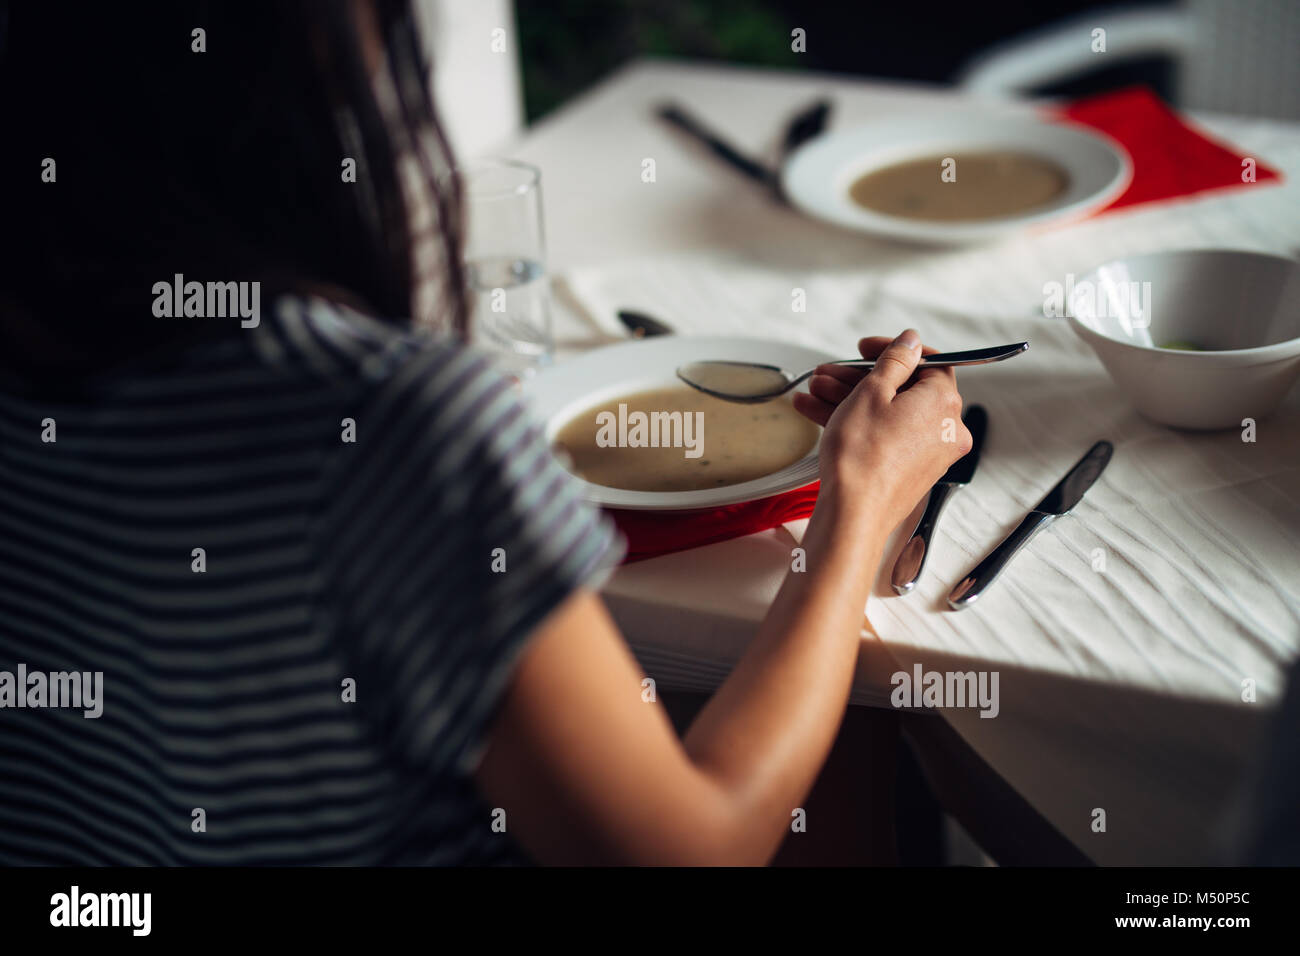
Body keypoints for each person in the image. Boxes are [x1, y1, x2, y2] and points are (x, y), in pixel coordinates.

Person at [0, 0, 970, 865]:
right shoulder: (383, 423)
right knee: (854, 719)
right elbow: (695, 847)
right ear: (336, 68)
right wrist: (862, 501)